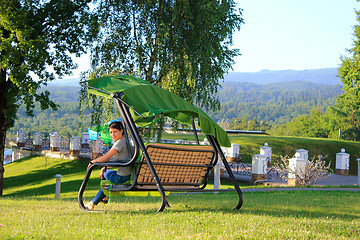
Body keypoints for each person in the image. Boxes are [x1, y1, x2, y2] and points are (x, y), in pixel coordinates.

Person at [85, 121, 133, 210]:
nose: (112, 135)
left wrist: (92, 162)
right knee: (105, 172)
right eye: (111, 132)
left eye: (115, 132)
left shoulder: (120, 143)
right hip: (128, 175)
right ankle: (101, 198)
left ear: (121, 131)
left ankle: (96, 201)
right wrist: (104, 168)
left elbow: (104, 158)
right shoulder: (125, 141)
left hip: (122, 177)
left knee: (105, 174)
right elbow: (119, 161)